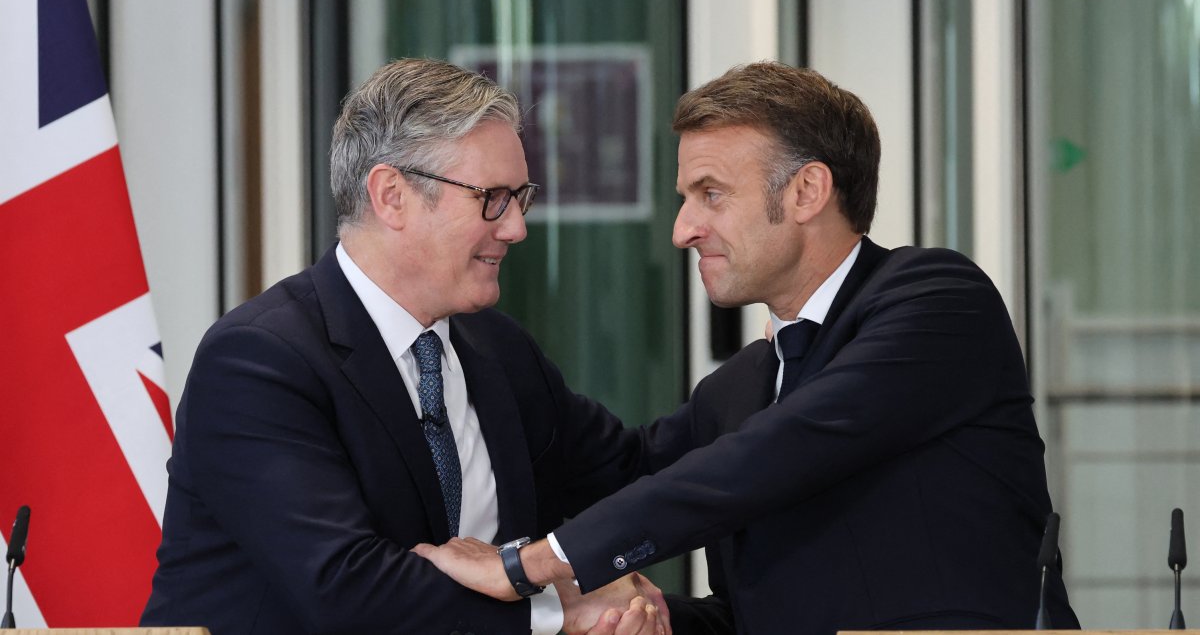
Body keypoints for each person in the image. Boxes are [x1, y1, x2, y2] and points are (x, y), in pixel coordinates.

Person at [415, 62, 1081, 635]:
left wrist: (532, 564)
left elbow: (768, 458)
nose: (682, 229)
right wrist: (649, 613)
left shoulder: (939, 302)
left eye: (710, 194)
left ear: (806, 192)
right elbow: (732, 592)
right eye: (684, 198)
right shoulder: (741, 390)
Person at [140, 58, 669, 635]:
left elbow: (637, 470)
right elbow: (345, 586)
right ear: (391, 196)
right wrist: (556, 613)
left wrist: (781, 354)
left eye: (521, 197)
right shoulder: (259, 361)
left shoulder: (499, 350)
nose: (515, 227)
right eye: (492, 197)